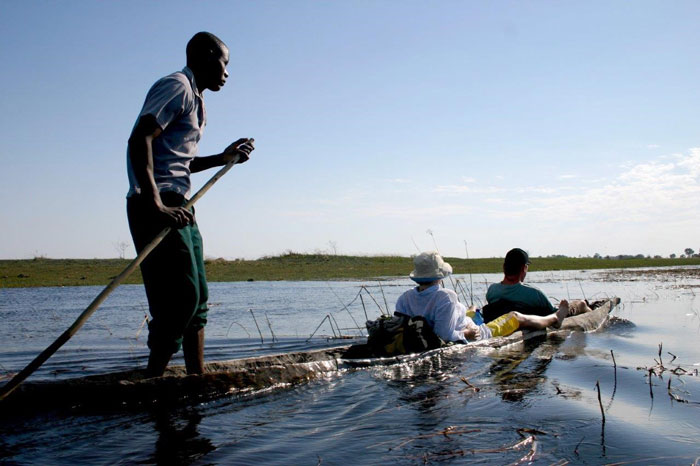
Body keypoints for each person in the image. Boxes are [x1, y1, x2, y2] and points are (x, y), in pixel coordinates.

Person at [126, 32, 254, 377]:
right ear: (205, 56)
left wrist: (223, 158)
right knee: (179, 298)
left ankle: (196, 378)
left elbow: (181, 160)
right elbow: (141, 138)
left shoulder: (198, 101)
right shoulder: (177, 86)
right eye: (224, 63)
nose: (227, 73)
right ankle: (154, 378)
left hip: (180, 204)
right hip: (156, 202)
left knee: (197, 299)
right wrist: (155, 202)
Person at [395, 252, 570, 343]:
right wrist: (469, 333)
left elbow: (401, 326)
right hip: (479, 333)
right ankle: (555, 318)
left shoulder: (405, 297)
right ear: (440, 275)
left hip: (465, 321)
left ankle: (473, 311)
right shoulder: (445, 296)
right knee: (515, 316)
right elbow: (444, 336)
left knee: (472, 309)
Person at [483, 248, 592, 323]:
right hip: (543, 318)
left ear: (504, 267)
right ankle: (584, 307)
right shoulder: (534, 293)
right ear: (524, 268)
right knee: (579, 304)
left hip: (509, 320)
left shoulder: (492, 291)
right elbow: (554, 312)